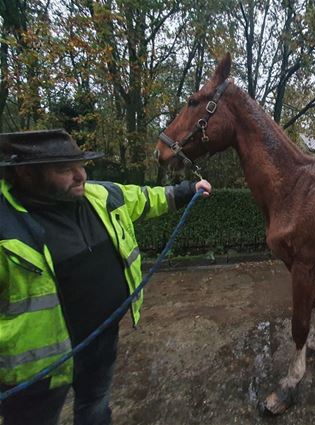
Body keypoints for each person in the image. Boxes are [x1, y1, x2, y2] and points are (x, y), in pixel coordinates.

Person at [0, 129, 211, 425]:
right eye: (64, 169)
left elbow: (144, 198)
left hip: (101, 339)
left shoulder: (100, 195)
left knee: (95, 407)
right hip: (36, 371)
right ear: (26, 175)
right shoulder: (5, 227)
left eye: (81, 165)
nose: (80, 175)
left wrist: (188, 189)